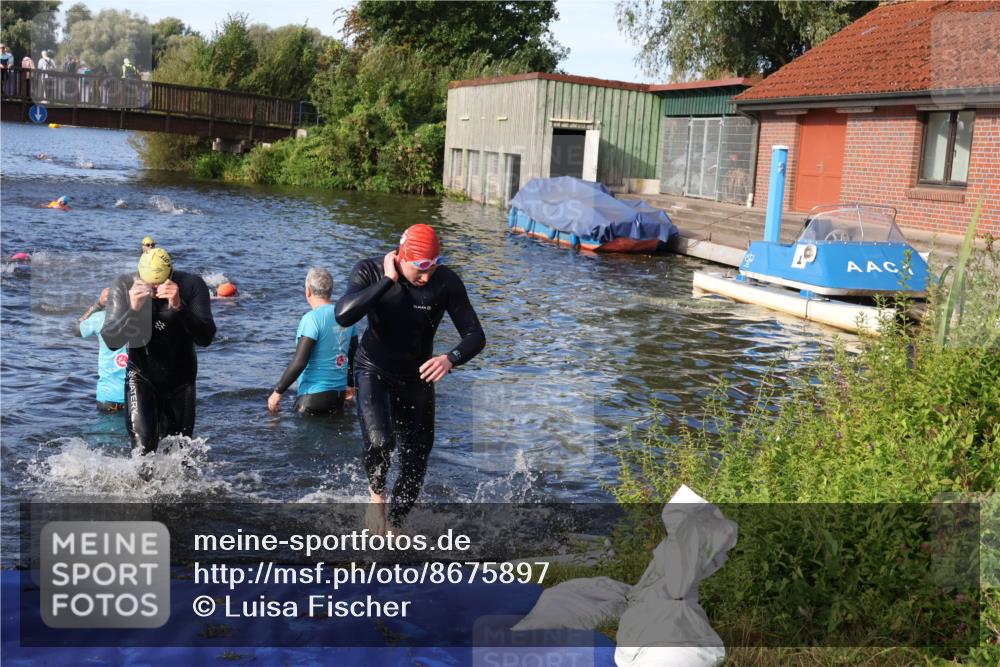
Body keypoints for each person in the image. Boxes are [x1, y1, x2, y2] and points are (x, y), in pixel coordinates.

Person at [335, 224, 485, 533]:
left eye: (434, 266)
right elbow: (343, 314)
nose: (427, 276)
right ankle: (377, 498)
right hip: (372, 369)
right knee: (380, 441)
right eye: (421, 268)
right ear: (401, 257)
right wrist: (388, 281)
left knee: (417, 458)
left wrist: (450, 359)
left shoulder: (446, 282)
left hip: (417, 376)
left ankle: (395, 528)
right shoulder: (371, 271)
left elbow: (475, 335)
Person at [101, 247, 216, 455]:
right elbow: (111, 340)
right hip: (141, 377)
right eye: (149, 283)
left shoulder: (191, 285)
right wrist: (133, 309)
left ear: (170, 273)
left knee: (177, 456)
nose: (154, 289)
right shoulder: (124, 286)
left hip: (181, 382)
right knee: (142, 451)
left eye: (159, 282)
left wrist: (179, 306)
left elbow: (206, 338)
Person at [269, 268, 358, 417]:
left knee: (273, 422)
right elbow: (354, 356)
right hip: (339, 397)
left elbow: (300, 362)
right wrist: (350, 384)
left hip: (312, 398)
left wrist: (278, 391)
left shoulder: (311, 319)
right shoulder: (346, 315)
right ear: (330, 291)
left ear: (308, 291)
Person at [74, 288, 128, 412]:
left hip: (108, 398)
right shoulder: (146, 320)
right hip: (140, 398)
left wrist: (98, 305)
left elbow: (76, 329)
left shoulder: (99, 318)